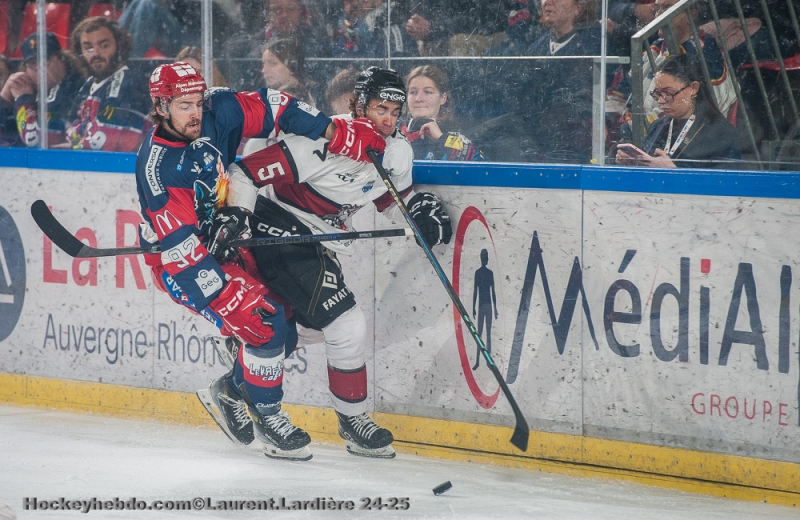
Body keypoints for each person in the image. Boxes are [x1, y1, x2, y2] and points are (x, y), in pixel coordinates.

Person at [134, 62, 388, 461]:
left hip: (227, 243)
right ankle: (267, 417)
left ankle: (230, 392)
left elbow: (278, 107)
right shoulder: (158, 170)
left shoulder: (221, 110)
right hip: (182, 261)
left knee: (286, 329)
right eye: (184, 105)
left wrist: (333, 132)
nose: (195, 113)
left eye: (198, 102)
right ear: (160, 105)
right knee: (262, 322)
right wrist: (223, 298)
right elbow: (182, 249)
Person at [217, 67, 453, 459]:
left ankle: (236, 385)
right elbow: (245, 172)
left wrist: (417, 213)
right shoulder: (319, 142)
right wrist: (237, 217)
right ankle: (350, 420)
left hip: (317, 242)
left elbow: (388, 198)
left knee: (296, 329)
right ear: (357, 105)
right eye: (380, 108)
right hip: (279, 230)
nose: (389, 120)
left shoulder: (396, 150)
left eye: (396, 111)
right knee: (346, 323)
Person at [615, 54, 741, 169]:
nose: (660, 100)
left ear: (693, 88)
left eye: (668, 93)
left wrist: (675, 172)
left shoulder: (722, 133)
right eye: (657, 93)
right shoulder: (658, 126)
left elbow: (724, 186)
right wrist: (634, 164)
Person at [64, 17, 150, 151]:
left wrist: (81, 132)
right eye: (88, 48)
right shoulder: (87, 86)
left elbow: (104, 139)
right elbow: (68, 128)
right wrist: (86, 131)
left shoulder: (128, 84)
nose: (96, 53)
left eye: (104, 46)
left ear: (119, 46)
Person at [0, 32, 86, 148]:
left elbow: (34, 139)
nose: (38, 68)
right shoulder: (30, 89)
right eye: (32, 63)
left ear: (61, 59)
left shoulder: (76, 87)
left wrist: (23, 100)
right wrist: (5, 98)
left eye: (44, 60)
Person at [401, 65, 483, 161]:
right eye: (413, 92)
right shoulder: (393, 130)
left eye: (428, 92)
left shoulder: (456, 133)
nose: (419, 99)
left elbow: (481, 166)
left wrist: (442, 139)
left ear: (443, 98)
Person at [333, 0, 419, 58]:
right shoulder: (336, 33)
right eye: (349, 1)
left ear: (378, 1)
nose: (355, 3)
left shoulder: (393, 33)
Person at [472, 249, 498, 370]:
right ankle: (479, 361)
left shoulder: (487, 273)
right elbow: (475, 291)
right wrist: (473, 307)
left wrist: (496, 307)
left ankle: (487, 361)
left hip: (485, 305)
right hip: (484, 305)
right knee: (481, 334)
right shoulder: (481, 273)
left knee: (483, 334)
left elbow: (492, 291)